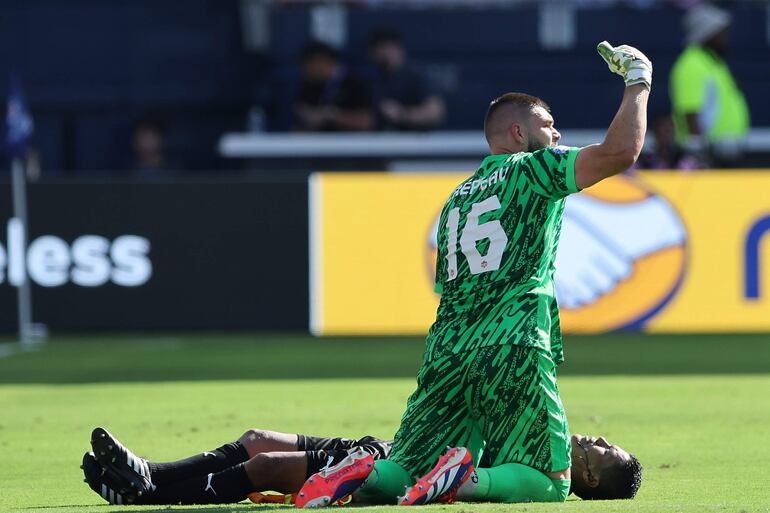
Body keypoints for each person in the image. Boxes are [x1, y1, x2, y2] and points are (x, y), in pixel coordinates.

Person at [296, 41, 651, 507]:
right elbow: (620, 152)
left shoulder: (457, 199)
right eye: (548, 126)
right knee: (550, 479)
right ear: (519, 134)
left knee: (408, 469)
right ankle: (465, 481)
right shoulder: (533, 170)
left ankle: (366, 471)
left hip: (447, 348)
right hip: (512, 341)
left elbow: (448, 284)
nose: (558, 135)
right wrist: (638, 82)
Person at [81, 426, 640, 505]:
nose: (596, 437)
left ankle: (147, 495)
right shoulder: (538, 433)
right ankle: (150, 471)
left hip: (383, 468)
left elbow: (462, 481)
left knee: (271, 464)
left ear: (592, 476)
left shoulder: (546, 482)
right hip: (393, 444)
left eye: (604, 448)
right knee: (255, 439)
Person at [669, 3, 750, 167]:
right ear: (707, 33)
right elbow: (690, 110)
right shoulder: (691, 64)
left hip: (725, 151)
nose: (726, 37)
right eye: (721, 33)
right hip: (709, 155)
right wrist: (699, 153)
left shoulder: (713, 62)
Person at [368, 28, 445, 131]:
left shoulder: (415, 75)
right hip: (379, 140)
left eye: (385, 48)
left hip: (414, 141)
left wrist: (402, 114)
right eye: (376, 49)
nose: (381, 53)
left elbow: (435, 113)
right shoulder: (373, 77)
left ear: (397, 48)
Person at [293, 41, 375, 132]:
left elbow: (367, 122)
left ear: (321, 61)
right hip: (318, 142)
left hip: (351, 142)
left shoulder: (356, 82)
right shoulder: (309, 85)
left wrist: (332, 116)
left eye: (308, 67)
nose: (306, 72)